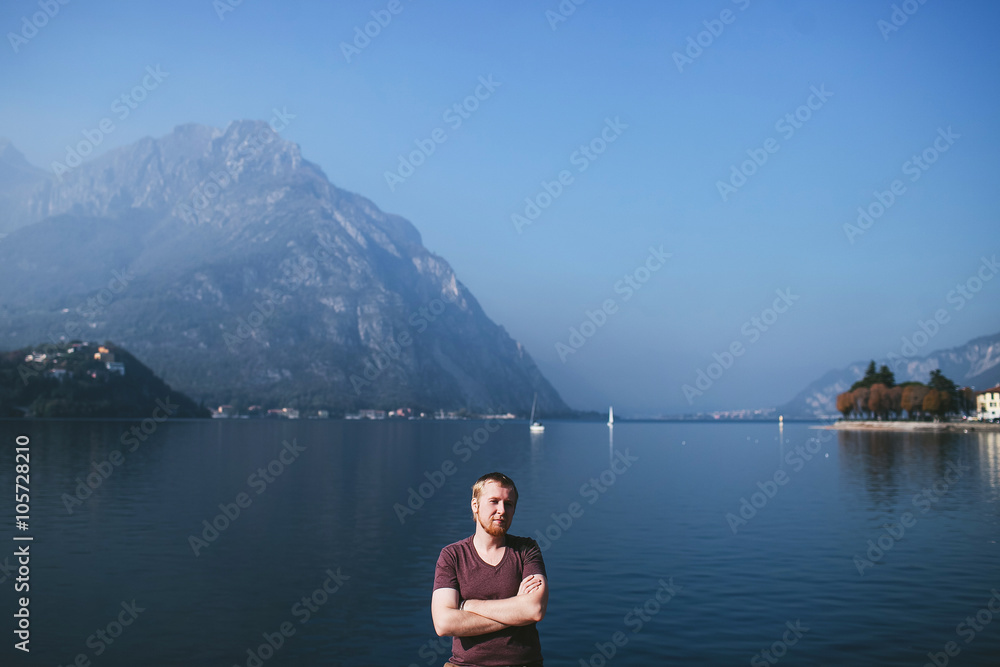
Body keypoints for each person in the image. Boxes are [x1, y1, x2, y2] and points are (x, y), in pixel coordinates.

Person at [431, 472, 548, 667]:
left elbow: (534, 610)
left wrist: (468, 606)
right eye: (494, 501)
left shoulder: (527, 549)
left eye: (508, 504)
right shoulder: (452, 555)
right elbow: (444, 624)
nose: (502, 510)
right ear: (475, 506)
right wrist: (517, 610)